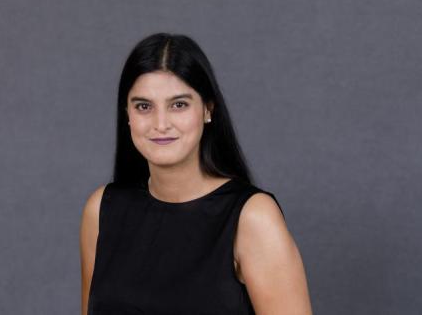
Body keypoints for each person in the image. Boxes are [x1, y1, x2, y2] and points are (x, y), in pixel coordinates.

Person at [80, 33, 312, 314]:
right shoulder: (102, 210)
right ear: (127, 113)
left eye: (179, 104)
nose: (161, 124)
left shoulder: (252, 218)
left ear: (207, 109)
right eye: (144, 106)